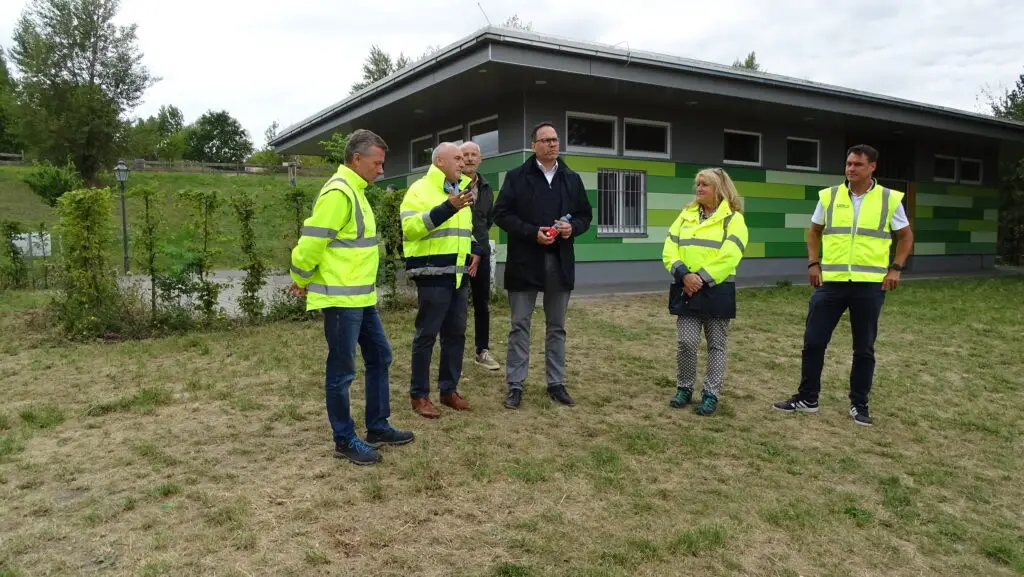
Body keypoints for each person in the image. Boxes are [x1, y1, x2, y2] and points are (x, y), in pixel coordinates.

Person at [288, 129, 413, 466]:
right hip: (341, 301)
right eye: (378, 163)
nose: (382, 170)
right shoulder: (339, 194)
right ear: (357, 159)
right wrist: (300, 277)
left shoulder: (356, 192)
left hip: (361, 299)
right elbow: (311, 243)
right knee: (342, 372)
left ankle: (377, 426)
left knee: (380, 357)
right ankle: (344, 439)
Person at [773, 144, 914, 426]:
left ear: (873, 166)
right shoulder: (829, 196)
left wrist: (896, 269)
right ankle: (807, 397)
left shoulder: (889, 199)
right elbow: (814, 232)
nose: (851, 169)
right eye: (849, 163)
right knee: (813, 342)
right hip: (832, 283)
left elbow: (905, 236)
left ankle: (859, 404)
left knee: (863, 349)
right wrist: (814, 263)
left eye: (858, 164)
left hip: (869, 286)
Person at [493, 121, 593, 409]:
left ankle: (556, 383)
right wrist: (530, 232)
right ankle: (515, 384)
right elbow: (501, 214)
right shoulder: (516, 177)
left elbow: (585, 216)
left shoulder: (571, 178)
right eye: (546, 140)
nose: (553, 144)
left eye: (555, 140)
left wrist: (571, 228)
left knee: (557, 327)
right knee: (519, 325)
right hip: (525, 263)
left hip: (559, 265)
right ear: (534, 145)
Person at [401, 142, 483, 418]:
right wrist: (447, 207)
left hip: (458, 276)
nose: (462, 163)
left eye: (463, 159)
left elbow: (462, 230)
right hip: (432, 275)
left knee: (456, 335)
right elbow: (410, 229)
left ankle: (448, 390)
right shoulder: (420, 190)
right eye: (457, 158)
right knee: (427, 336)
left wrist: (474, 249)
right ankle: (419, 396)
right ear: (439, 161)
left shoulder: (461, 191)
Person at [662, 168, 748, 416]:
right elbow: (670, 248)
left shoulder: (734, 219)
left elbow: (731, 255)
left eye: (705, 185)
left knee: (716, 346)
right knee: (686, 343)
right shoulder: (685, 215)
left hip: (717, 290)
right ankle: (685, 388)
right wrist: (683, 275)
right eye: (697, 184)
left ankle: (711, 394)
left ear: (719, 190)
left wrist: (701, 278)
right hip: (686, 289)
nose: (699, 188)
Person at [459, 141, 501, 371]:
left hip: (480, 255)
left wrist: (480, 250)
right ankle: (452, 349)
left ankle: (482, 350)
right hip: (457, 252)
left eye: (474, 154)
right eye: (464, 154)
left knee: (481, 303)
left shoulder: (486, 188)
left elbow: (487, 222)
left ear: (480, 159)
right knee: (454, 304)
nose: (469, 158)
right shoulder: (451, 186)